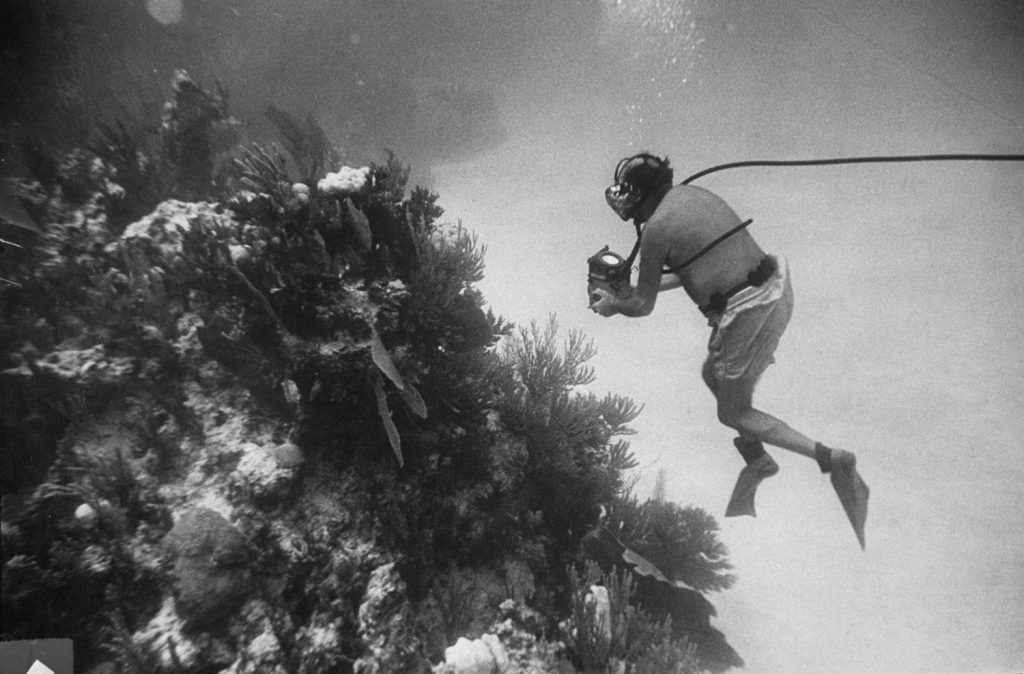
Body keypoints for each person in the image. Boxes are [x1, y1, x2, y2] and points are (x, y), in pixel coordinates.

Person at [589, 152, 869, 548]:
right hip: (775, 291)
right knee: (712, 375)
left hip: (747, 314)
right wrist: (635, 287)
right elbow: (694, 266)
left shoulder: (655, 230)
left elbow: (641, 305)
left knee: (732, 411)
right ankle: (758, 458)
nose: (624, 201)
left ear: (642, 194)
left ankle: (832, 458)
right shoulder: (690, 196)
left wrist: (612, 304)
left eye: (629, 192)